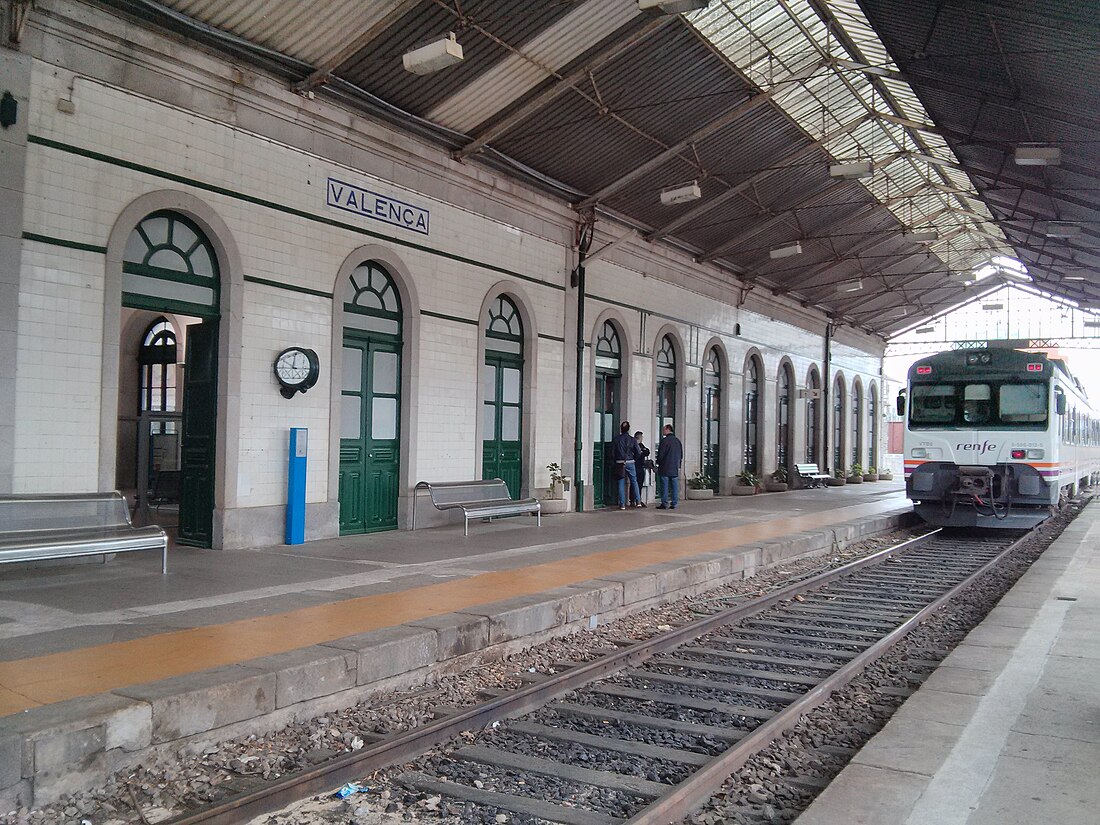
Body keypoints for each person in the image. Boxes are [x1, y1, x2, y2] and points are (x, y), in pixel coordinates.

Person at [612, 420, 643, 510]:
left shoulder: (616, 439)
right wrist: (634, 459)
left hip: (619, 462)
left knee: (621, 482)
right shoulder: (632, 439)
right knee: (634, 481)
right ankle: (638, 501)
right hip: (630, 461)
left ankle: (622, 504)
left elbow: (613, 453)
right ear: (628, 429)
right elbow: (638, 452)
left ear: (621, 429)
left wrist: (616, 460)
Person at [655, 423, 683, 510]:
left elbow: (661, 454)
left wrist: (658, 462)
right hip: (674, 466)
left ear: (668, 429)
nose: (663, 431)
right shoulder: (677, 441)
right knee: (674, 485)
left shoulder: (665, 441)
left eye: (664, 429)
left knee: (665, 485)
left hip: (665, 466)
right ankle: (674, 503)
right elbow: (681, 454)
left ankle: (664, 502)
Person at [630, 431, 651, 508]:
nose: (642, 439)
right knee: (634, 483)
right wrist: (642, 452)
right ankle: (633, 500)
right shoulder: (633, 444)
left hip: (640, 466)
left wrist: (642, 452)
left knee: (640, 483)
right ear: (639, 437)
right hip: (635, 466)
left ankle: (638, 498)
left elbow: (647, 451)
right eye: (642, 437)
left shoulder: (641, 445)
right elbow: (638, 454)